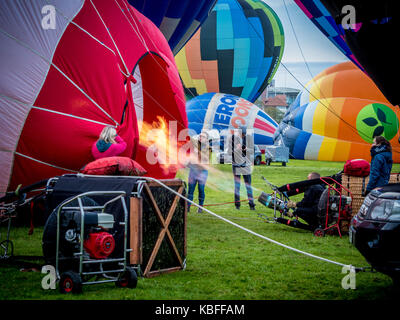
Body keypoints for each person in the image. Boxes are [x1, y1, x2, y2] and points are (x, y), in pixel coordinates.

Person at [231, 126, 255, 210]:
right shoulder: (233, 138)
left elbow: (253, 150)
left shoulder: (248, 138)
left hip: (246, 165)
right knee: (237, 186)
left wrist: (247, 149)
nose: (242, 136)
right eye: (241, 134)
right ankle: (237, 205)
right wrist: (236, 149)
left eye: (244, 134)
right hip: (236, 165)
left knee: (248, 185)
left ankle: (252, 205)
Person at [187, 132, 209, 213]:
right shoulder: (194, 147)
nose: (201, 137)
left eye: (203, 137)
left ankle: (200, 207)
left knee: (201, 189)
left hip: (202, 172)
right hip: (193, 171)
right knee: (190, 190)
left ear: (206, 140)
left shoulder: (208, 149)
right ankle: (188, 207)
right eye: (200, 136)